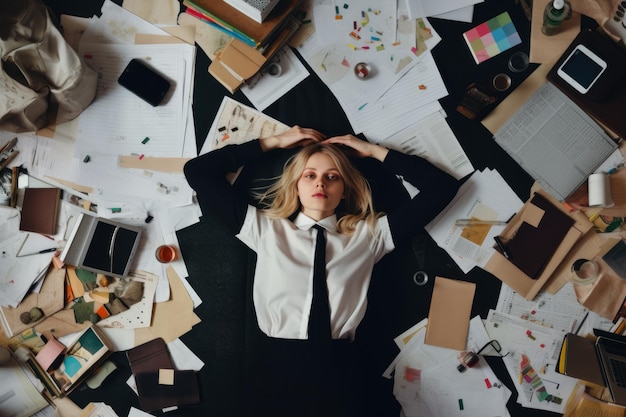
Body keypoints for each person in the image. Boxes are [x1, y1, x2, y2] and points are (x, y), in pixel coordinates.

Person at [183, 126, 459, 417]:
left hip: (340, 370)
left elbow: (441, 188)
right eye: (310, 175)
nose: (321, 184)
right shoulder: (264, 229)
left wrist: (375, 152)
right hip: (274, 368)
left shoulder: (369, 237)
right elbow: (198, 172)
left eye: (332, 177)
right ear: (296, 186)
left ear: (344, 190)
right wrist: (274, 142)